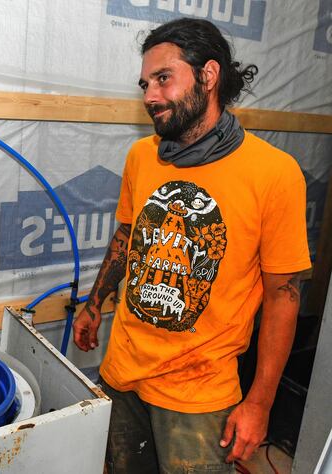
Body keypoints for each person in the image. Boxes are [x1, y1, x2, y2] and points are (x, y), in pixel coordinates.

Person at [73, 18, 311, 473]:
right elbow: (128, 237)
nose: (149, 96)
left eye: (164, 78)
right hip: (122, 370)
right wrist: (93, 303)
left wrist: (259, 404)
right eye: (145, 83)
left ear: (208, 76)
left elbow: (283, 296)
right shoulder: (141, 156)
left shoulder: (274, 173)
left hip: (199, 395)